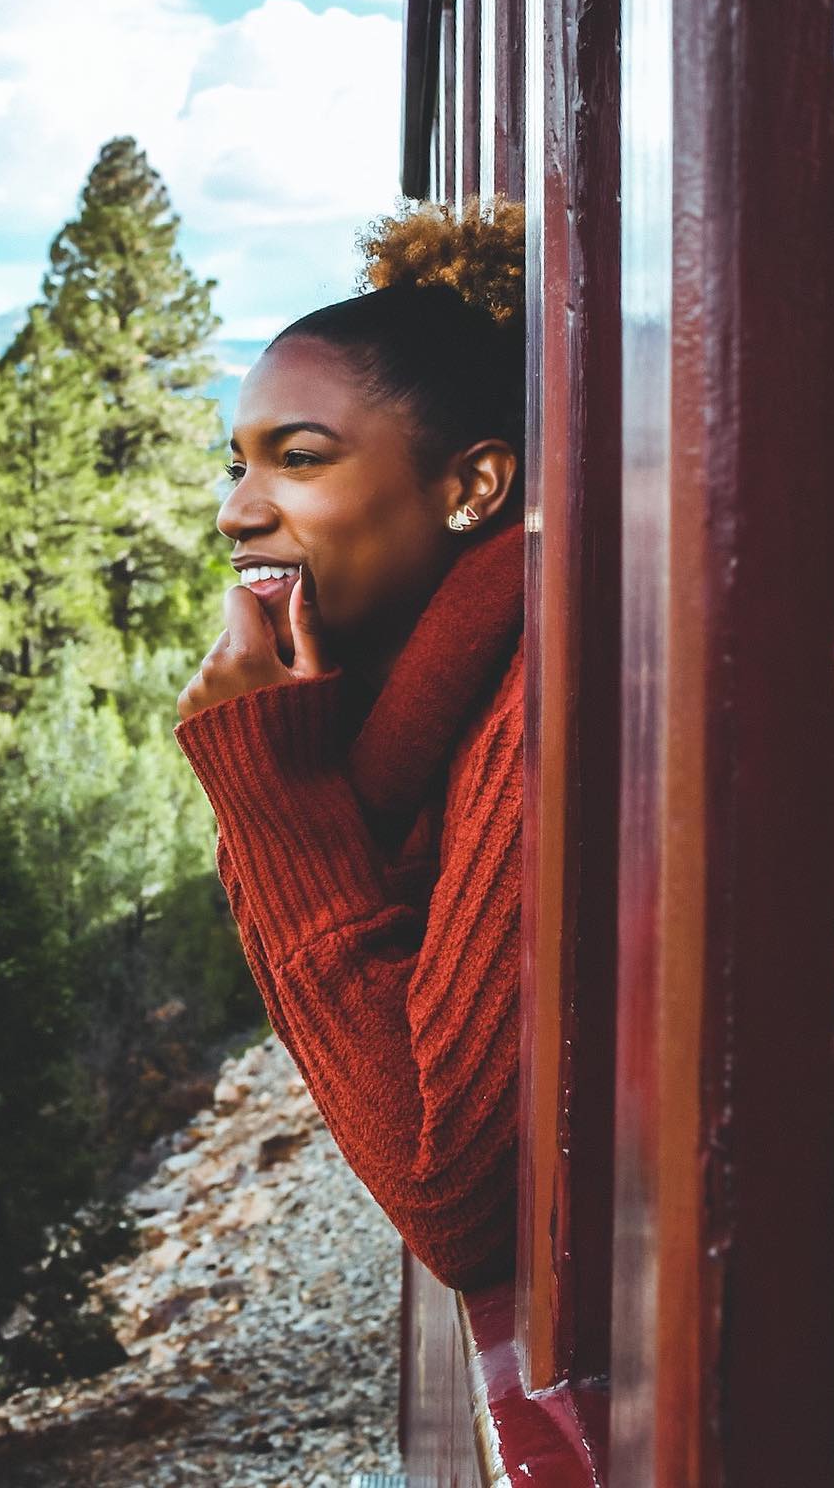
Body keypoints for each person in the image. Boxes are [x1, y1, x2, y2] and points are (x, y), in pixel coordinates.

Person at [174, 199, 526, 1291]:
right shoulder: (420, 712)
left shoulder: (536, 712)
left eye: (300, 459)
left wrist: (272, 798)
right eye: (237, 464)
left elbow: (449, 1197)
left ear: (471, 487)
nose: (239, 509)